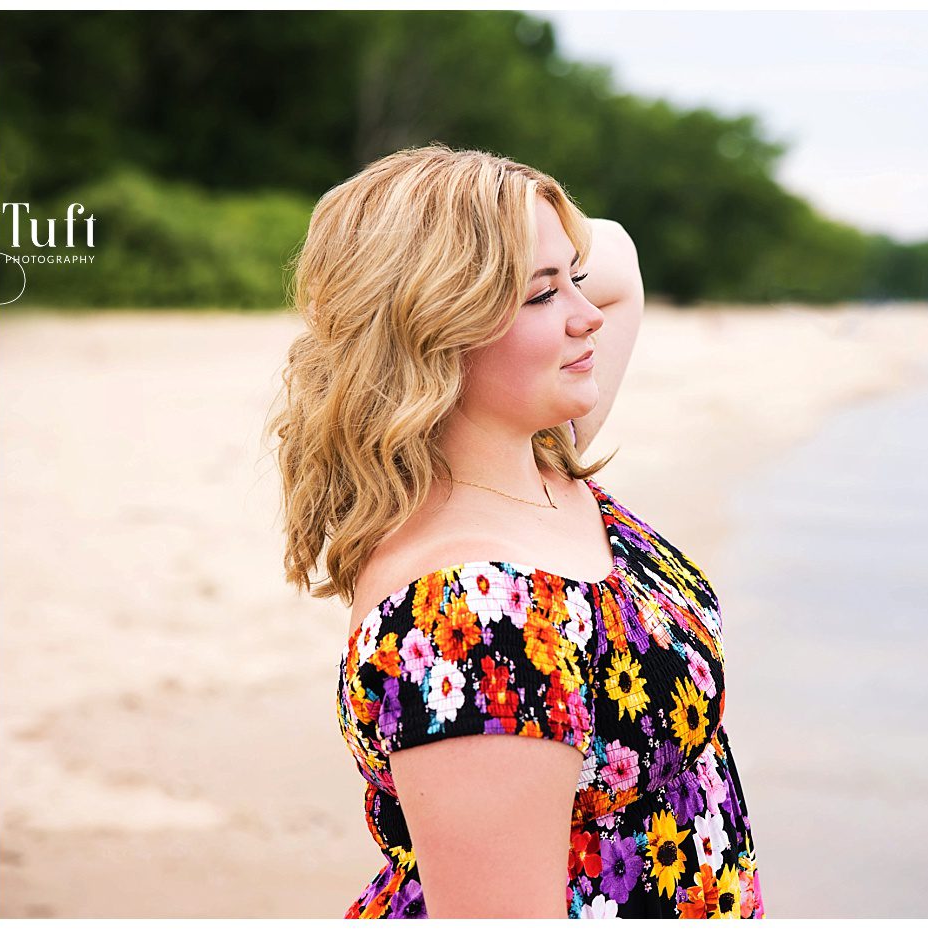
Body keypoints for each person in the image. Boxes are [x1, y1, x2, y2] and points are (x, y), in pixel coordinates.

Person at [273, 146, 762, 918]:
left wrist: (506, 215)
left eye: (573, 277)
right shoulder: (471, 619)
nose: (587, 314)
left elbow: (620, 262)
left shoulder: (538, 455)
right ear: (436, 326)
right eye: (541, 294)